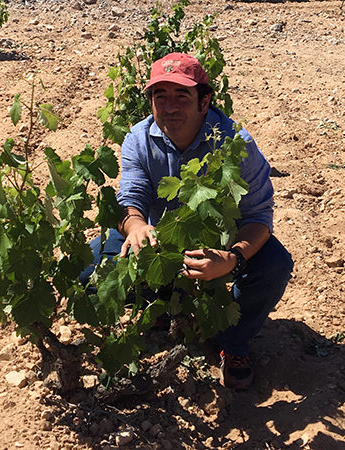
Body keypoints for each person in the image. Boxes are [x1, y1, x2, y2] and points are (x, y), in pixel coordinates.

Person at [85, 52, 293, 390]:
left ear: (205, 101)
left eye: (182, 96)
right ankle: (166, 305)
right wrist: (136, 228)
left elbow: (259, 217)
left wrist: (233, 257)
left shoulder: (235, 144)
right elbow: (130, 200)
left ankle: (233, 342)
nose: (169, 107)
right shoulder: (138, 139)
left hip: (221, 241)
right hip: (158, 237)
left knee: (274, 264)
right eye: (160, 96)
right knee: (89, 273)